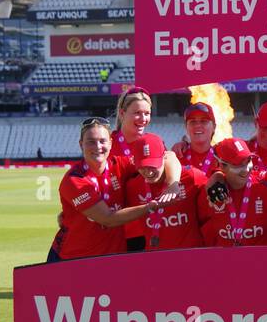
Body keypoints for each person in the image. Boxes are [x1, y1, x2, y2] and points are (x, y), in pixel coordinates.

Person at [48, 120, 180, 263]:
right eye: (91, 142)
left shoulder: (119, 164)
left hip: (113, 257)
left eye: (102, 141)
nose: (98, 147)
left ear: (111, 143)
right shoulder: (74, 180)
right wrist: (151, 206)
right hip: (72, 259)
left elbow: (168, 156)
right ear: (81, 144)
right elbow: (108, 219)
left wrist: (173, 184)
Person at [111, 86, 183, 250]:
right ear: (122, 113)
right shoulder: (107, 144)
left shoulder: (151, 142)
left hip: (148, 227)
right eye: (137, 113)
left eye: (147, 113)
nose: (143, 118)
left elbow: (169, 157)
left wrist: (173, 184)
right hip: (117, 229)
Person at [126, 133, 207, 251]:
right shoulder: (132, 186)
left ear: (164, 157)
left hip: (191, 259)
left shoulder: (191, 177)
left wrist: (218, 176)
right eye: (143, 166)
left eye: (153, 165)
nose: (148, 172)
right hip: (155, 261)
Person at [198, 139, 267, 247]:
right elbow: (204, 234)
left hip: (262, 261)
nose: (246, 169)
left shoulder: (266, 189)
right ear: (222, 166)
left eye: (248, 161)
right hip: (224, 261)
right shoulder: (210, 195)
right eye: (238, 165)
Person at [173, 101, 219, 176]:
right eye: (193, 122)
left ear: (214, 127)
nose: (197, 125)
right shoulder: (176, 156)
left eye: (203, 121)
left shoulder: (222, 157)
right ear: (186, 127)